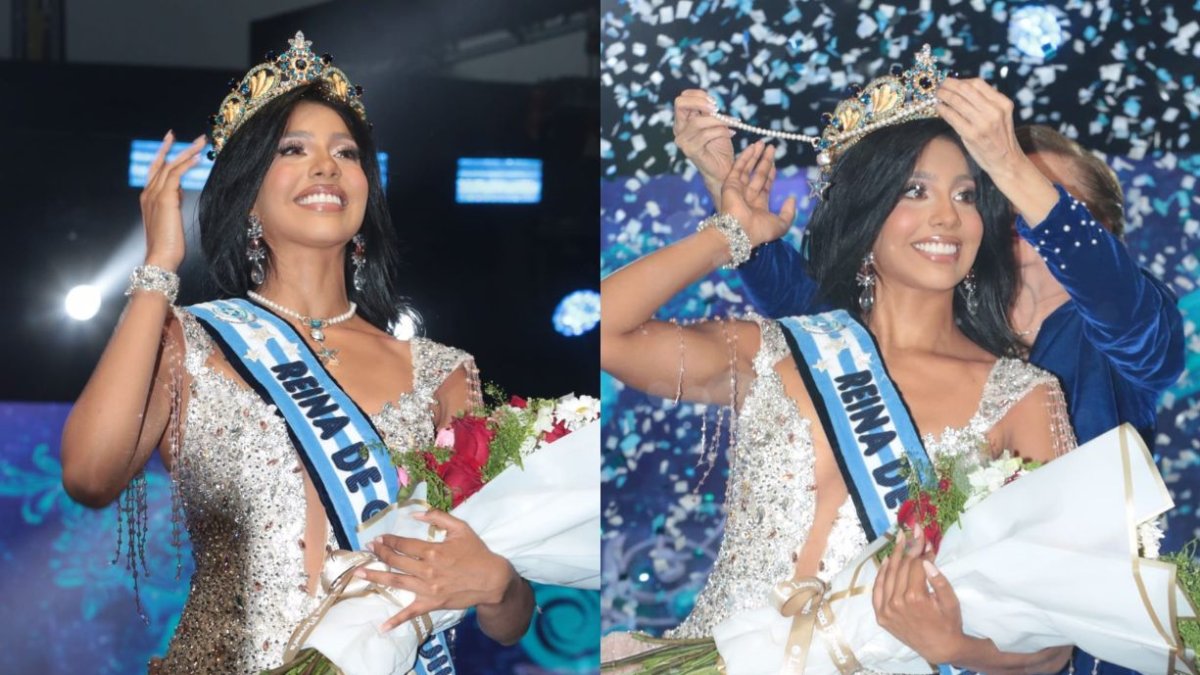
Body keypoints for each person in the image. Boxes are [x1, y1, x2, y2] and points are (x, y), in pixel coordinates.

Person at [675, 76, 1186, 675]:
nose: (1018, 209)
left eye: (1042, 197)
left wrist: (1010, 162)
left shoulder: (1129, 334)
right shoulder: (946, 320)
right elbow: (819, 317)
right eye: (995, 190)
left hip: (1080, 658)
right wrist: (728, 193)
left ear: (1098, 228)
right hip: (901, 643)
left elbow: (1116, 295)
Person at [60, 32, 533, 673]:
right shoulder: (189, 340)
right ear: (248, 193)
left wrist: (499, 583)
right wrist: (158, 269)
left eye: (346, 152)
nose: (326, 167)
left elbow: (507, 622)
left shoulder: (439, 371)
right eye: (293, 150)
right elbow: (89, 476)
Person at [601, 60, 1075, 669]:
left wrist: (955, 647)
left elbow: (1053, 645)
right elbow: (606, 332)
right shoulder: (773, 352)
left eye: (965, 195)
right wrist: (729, 233)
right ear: (864, 214)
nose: (947, 217)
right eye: (914, 190)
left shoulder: (1023, 395)